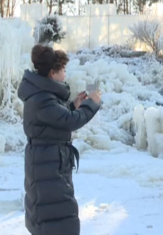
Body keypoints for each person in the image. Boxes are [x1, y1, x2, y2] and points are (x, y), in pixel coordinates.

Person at [18, 44, 101, 235]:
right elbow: (68, 121)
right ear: (52, 73)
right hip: (48, 166)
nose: (65, 73)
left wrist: (73, 105)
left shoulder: (42, 95)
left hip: (47, 162)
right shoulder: (42, 99)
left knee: (53, 215)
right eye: (63, 69)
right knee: (59, 217)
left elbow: (53, 121)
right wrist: (91, 104)